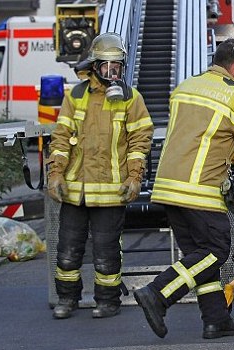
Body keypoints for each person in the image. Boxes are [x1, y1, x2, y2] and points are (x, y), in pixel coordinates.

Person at [133, 38, 234, 339]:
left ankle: (216, 320)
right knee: (215, 251)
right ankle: (158, 293)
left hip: (168, 185)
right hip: (199, 187)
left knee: (199, 257)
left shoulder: (185, 86)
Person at [47, 32, 153, 320]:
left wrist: (134, 177)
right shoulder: (77, 95)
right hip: (75, 191)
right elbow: (61, 138)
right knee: (68, 252)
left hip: (110, 192)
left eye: (117, 67)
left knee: (107, 253)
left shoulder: (131, 99)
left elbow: (140, 143)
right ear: (94, 66)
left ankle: (107, 301)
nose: (112, 74)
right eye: (107, 67)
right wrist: (55, 173)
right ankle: (67, 299)